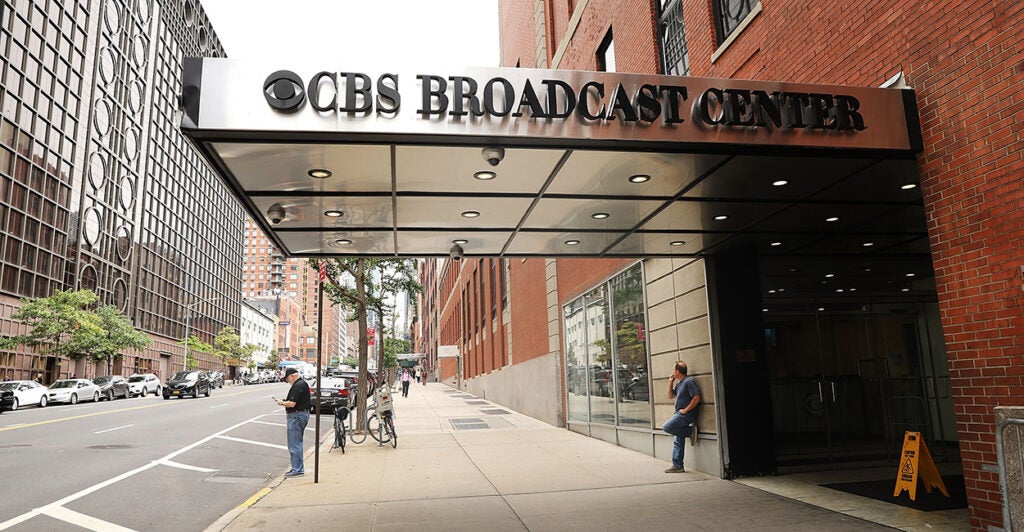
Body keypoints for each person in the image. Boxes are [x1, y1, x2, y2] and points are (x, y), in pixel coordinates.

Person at [661, 361, 700, 473]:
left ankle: (690, 431)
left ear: (678, 371)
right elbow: (670, 396)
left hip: (685, 414)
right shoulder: (679, 384)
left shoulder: (689, 382)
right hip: (679, 414)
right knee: (678, 439)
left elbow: (696, 398)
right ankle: (678, 466)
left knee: (667, 427)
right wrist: (670, 382)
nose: (673, 372)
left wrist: (686, 410)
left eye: (674, 370)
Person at [275, 367, 310, 477]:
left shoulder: (298, 385)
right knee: (296, 442)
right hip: (299, 414)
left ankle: (297, 469)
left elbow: (292, 404)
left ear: (292, 376)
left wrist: (281, 403)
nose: (287, 381)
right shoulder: (301, 384)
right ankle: (297, 467)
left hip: (296, 415)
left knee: (294, 443)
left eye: (287, 379)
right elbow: (294, 400)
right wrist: (285, 400)